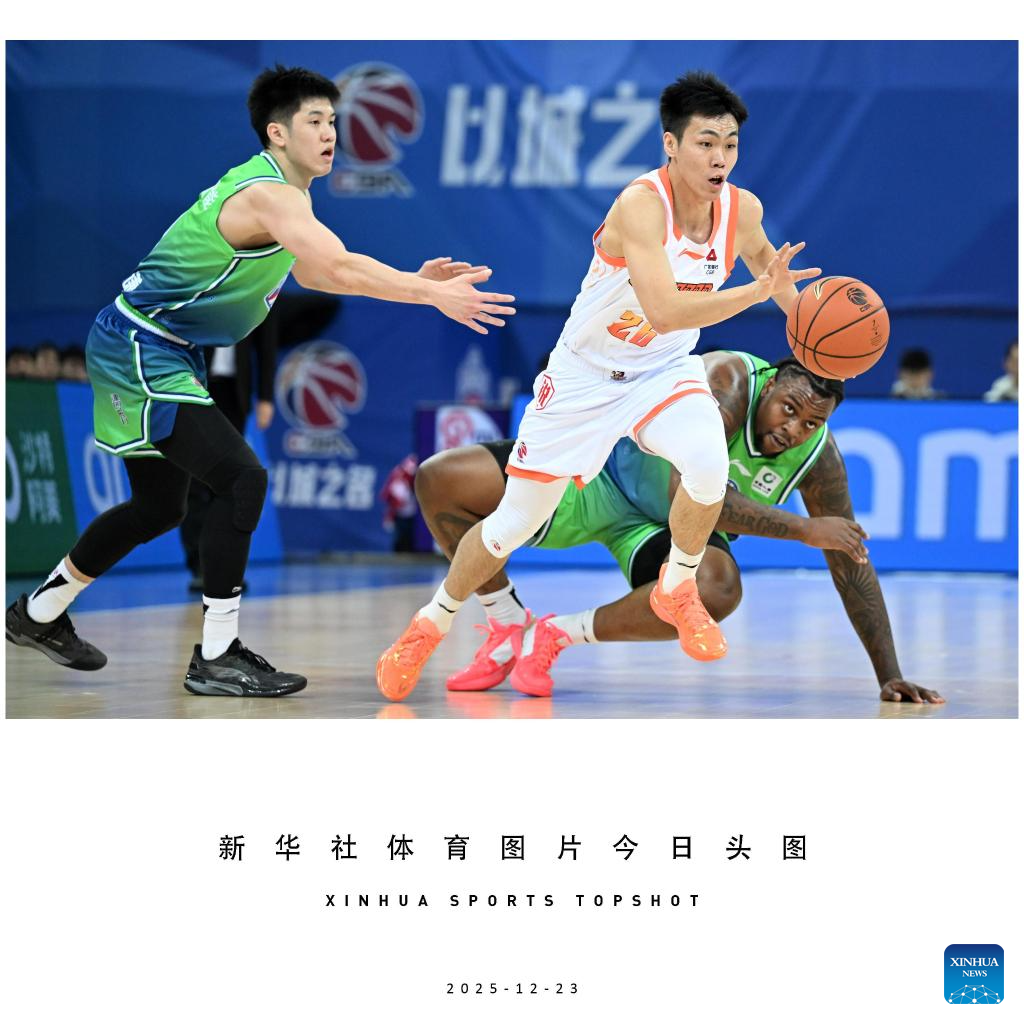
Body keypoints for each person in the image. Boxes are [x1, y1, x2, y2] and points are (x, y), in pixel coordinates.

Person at [5, 64, 515, 698]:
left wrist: (415, 281)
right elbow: (338, 266)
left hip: (160, 346)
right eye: (314, 121)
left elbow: (318, 275)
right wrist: (427, 293)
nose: (330, 133)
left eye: (333, 121)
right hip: (141, 344)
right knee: (241, 478)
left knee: (160, 505)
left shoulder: (289, 197)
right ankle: (217, 655)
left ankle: (38, 613)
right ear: (277, 132)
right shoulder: (270, 194)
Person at [378, 70, 820, 701]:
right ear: (671, 145)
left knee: (706, 463)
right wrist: (755, 292)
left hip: (662, 371)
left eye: (729, 144)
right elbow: (664, 310)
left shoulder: (741, 210)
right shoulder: (641, 205)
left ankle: (677, 586)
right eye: (705, 143)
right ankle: (431, 623)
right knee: (513, 523)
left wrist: (814, 329)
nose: (720, 158)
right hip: (585, 377)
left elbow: (773, 277)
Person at [416, 351, 944, 705]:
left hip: (661, 531)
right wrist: (805, 530)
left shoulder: (818, 458)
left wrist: (889, 674)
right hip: (597, 475)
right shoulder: (727, 380)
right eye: (789, 410)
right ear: (768, 387)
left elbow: (851, 563)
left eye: (811, 423)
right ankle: (506, 620)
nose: (794, 429)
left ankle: (553, 634)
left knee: (717, 588)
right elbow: (690, 488)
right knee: (441, 480)